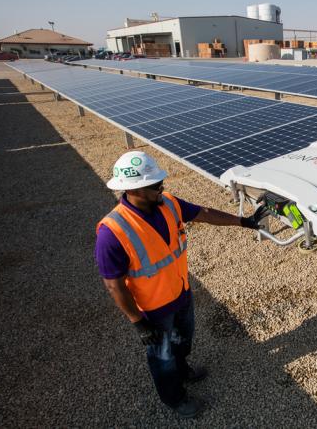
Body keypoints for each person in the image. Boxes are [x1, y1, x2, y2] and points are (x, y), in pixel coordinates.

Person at [95, 151, 265, 419]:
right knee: (162, 358)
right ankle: (174, 398)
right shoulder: (112, 232)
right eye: (155, 185)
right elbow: (114, 285)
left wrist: (244, 222)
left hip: (181, 294)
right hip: (154, 312)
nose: (161, 187)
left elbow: (203, 213)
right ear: (134, 190)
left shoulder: (169, 204)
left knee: (183, 341)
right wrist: (138, 322)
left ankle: (182, 369)